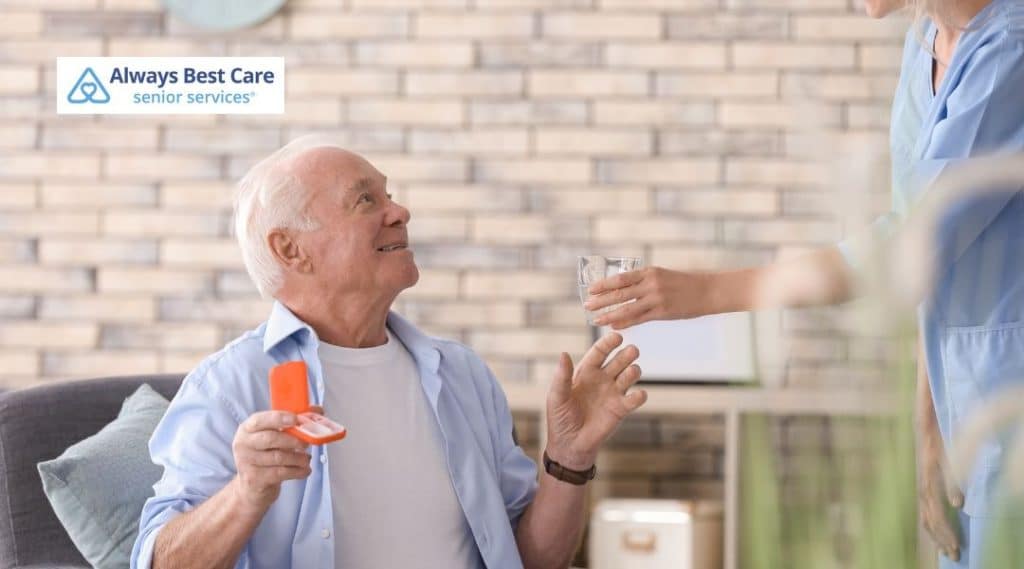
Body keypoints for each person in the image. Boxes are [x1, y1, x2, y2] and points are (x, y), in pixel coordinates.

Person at [585, 1, 1024, 567]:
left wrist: (703, 295)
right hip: (964, 413)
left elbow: (901, 245)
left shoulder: (1010, 49)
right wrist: (930, 432)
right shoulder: (926, 47)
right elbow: (926, 267)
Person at [130, 138, 648, 569]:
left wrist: (569, 458)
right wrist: (246, 493)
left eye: (389, 196)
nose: (400, 212)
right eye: (364, 201)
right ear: (291, 249)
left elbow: (532, 559)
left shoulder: (462, 375)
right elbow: (158, 561)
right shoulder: (230, 386)